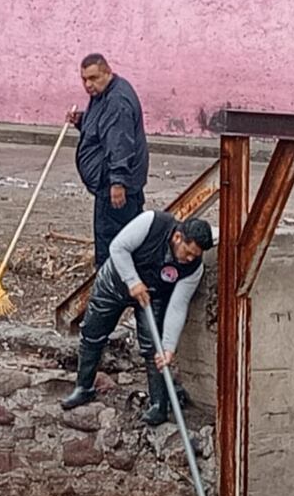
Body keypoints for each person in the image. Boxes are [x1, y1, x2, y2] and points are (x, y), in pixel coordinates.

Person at [61, 211, 213, 426]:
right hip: (114, 283)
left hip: (153, 296)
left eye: (194, 256)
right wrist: (133, 281)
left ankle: (158, 405)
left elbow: (178, 306)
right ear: (178, 237)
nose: (189, 259)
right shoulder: (152, 223)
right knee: (93, 334)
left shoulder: (193, 268)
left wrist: (169, 347)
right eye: (187, 252)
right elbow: (118, 247)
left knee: (154, 348)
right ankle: (84, 387)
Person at [68, 54, 149, 268]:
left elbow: (120, 143)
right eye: (84, 79)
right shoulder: (103, 95)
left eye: (93, 78)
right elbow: (102, 128)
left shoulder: (117, 101)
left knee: (113, 242)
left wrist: (118, 182)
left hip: (115, 187)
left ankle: (111, 282)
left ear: (107, 72)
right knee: (124, 237)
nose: (88, 85)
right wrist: (82, 120)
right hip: (109, 182)